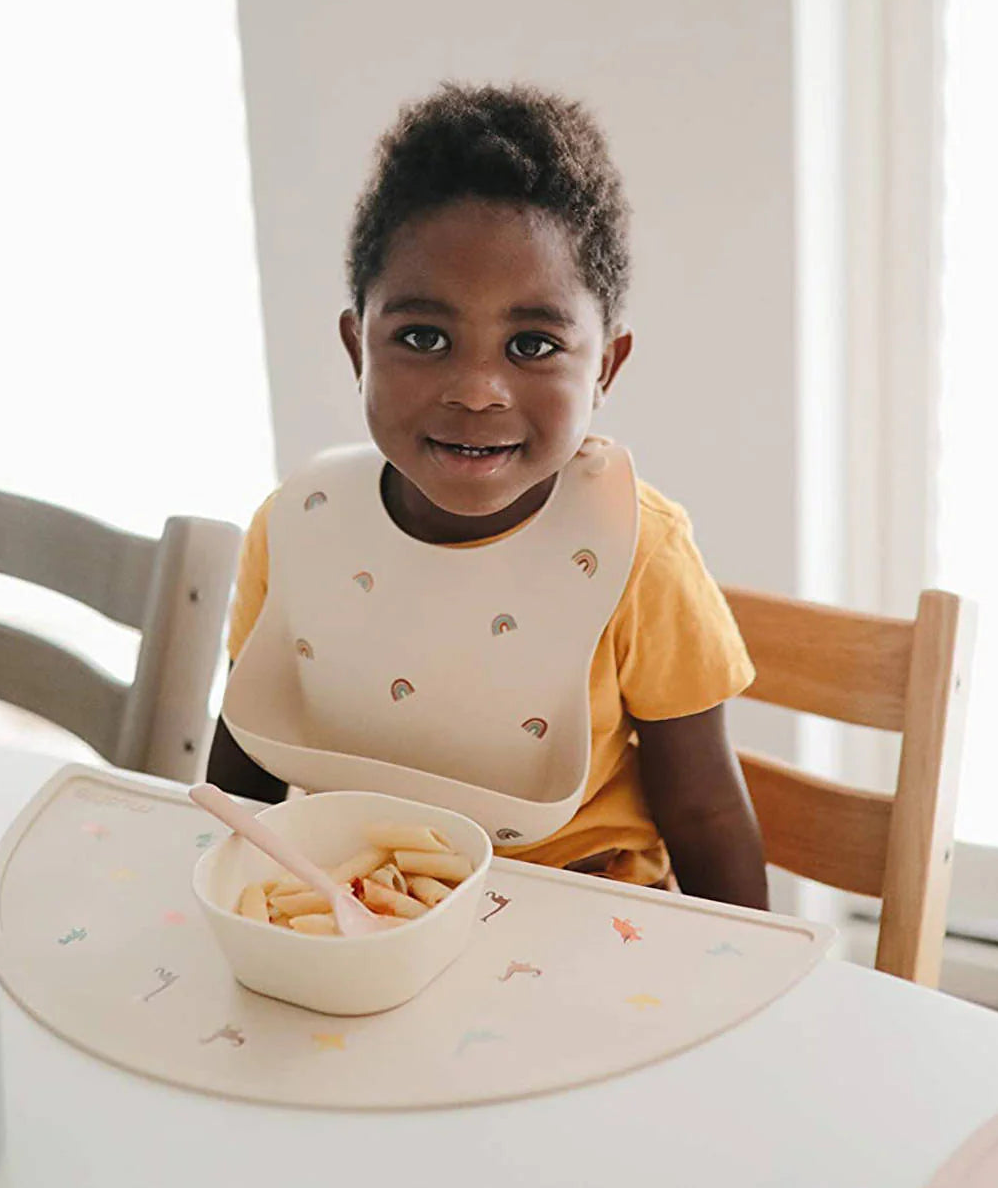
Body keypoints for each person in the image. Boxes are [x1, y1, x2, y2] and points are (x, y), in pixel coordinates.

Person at [207, 82, 767, 909]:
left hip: (582, 923)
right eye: (424, 338)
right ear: (357, 346)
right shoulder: (295, 530)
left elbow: (706, 810)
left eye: (532, 344)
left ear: (605, 367)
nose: (477, 390)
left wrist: (752, 998)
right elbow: (244, 772)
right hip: (359, 916)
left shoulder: (638, 553)